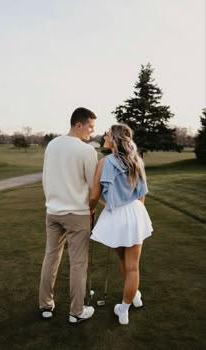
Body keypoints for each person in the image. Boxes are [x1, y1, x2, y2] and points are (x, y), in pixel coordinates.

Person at [89, 123, 153, 325]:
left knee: (126, 263)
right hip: (135, 212)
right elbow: (141, 196)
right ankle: (133, 297)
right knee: (131, 265)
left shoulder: (104, 162)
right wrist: (135, 213)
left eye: (107, 135)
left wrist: (91, 208)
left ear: (114, 140)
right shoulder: (137, 161)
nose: (104, 137)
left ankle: (123, 309)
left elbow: (94, 196)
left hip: (115, 216)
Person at [39, 107, 98, 323]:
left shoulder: (52, 145)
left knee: (50, 257)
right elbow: (94, 187)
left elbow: (45, 179)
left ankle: (46, 306)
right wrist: (93, 207)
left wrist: (51, 202)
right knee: (78, 263)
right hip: (77, 214)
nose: (91, 131)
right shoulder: (87, 151)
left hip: (52, 211)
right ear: (78, 124)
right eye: (90, 126)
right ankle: (76, 311)